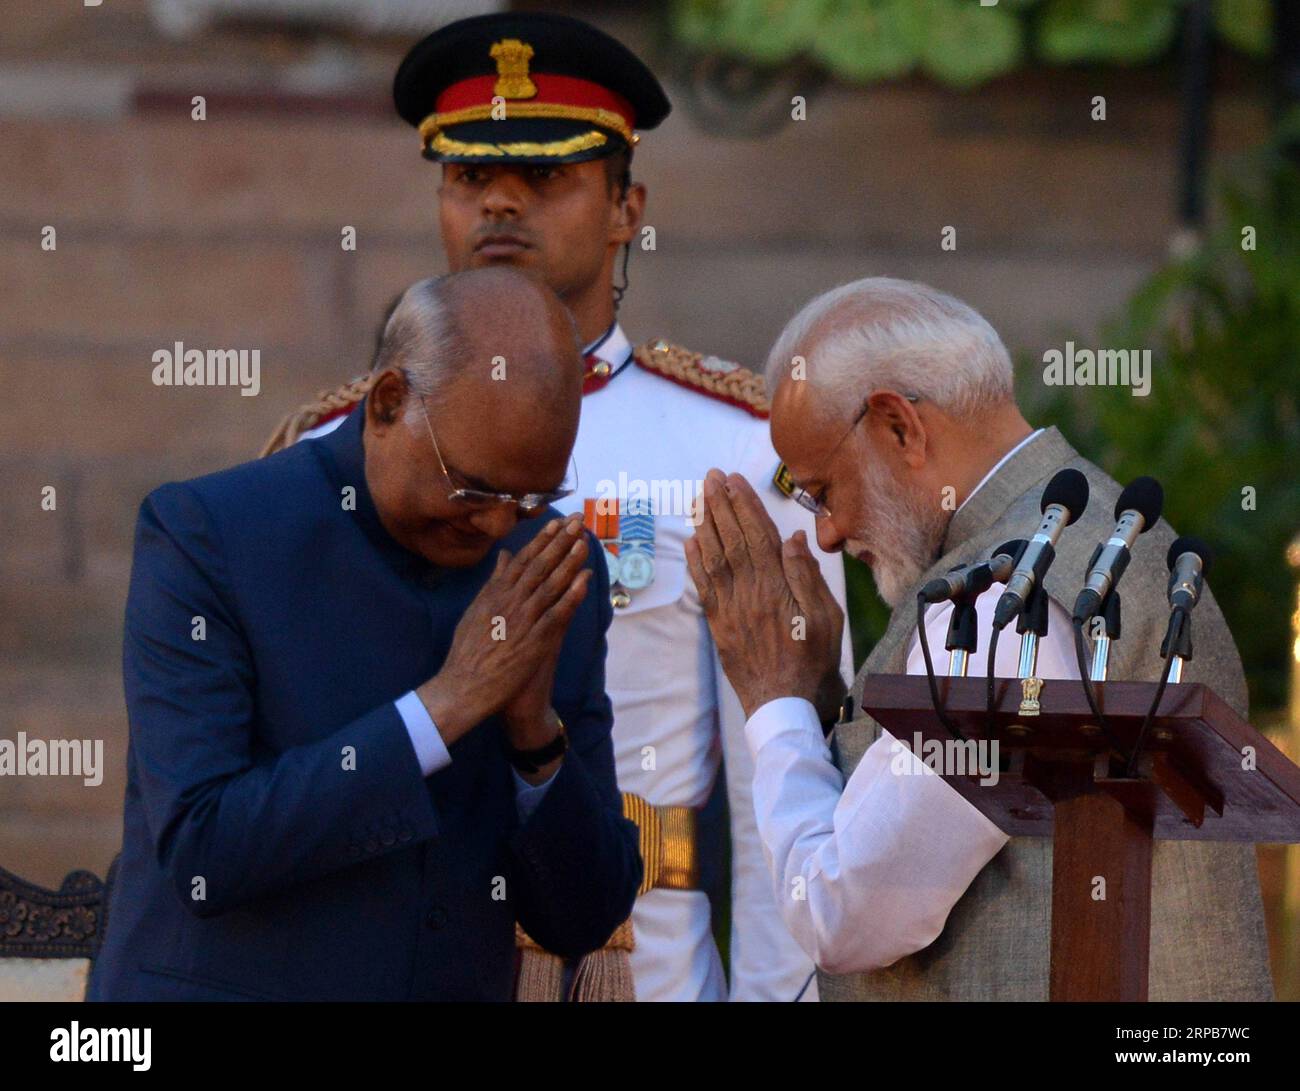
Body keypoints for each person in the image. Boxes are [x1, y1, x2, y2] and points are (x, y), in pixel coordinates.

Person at [263, 12, 849, 1002]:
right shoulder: (332, 449)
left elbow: (779, 772)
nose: (498, 200)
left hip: (638, 957)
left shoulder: (737, 448)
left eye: (545, 178)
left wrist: (769, 998)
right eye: (467, 177)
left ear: (627, 208)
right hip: (390, 953)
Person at [686, 276, 1274, 1001]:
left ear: (899, 426)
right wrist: (823, 700)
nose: (829, 533)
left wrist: (773, 704)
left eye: (822, 490)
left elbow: (848, 912)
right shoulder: (1110, 540)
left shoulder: (1005, 601)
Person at [88, 269, 641, 1002]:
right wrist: (443, 708)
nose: (500, 524)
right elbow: (204, 847)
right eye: (474, 489)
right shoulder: (210, 536)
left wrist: (535, 741)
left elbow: (584, 914)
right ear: (388, 403)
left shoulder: (548, 571)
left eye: (533, 496)